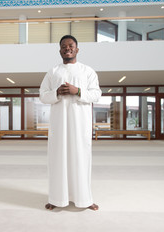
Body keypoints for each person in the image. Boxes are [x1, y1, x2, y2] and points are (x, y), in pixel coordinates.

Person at [39, 35, 101, 211]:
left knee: (81, 160)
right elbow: (43, 95)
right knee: (58, 160)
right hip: (59, 126)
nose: (68, 48)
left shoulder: (87, 71)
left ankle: (85, 199)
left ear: (77, 49)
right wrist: (56, 93)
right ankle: (56, 198)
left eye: (71, 45)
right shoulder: (53, 72)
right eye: (64, 46)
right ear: (60, 51)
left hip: (80, 125)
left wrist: (78, 91)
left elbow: (96, 94)